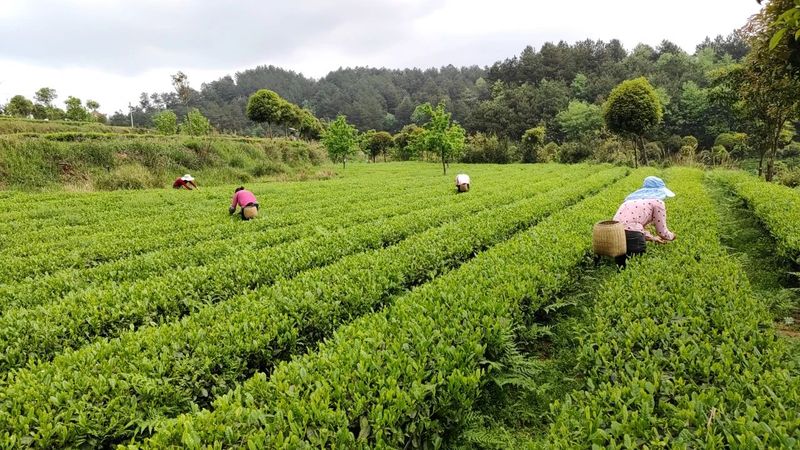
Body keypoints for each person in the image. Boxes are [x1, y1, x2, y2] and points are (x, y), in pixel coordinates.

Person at [612, 176, 677, 267]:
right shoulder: (657, 202)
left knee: (621, 267)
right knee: (636, 265)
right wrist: (672, 236)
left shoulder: (629, 201)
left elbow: (630, 225)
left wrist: (652, 238)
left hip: (614, 234)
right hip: (632, 237)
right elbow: (661, 232)